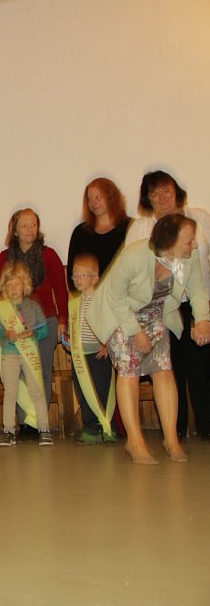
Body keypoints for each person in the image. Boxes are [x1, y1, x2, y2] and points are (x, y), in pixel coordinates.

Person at [88, 214, 210, 464]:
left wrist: (203, 320)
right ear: (170, 242)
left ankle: (171, 441)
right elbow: (115, 297)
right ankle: (135, 442)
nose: (195, 245)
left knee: (163, 371)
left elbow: (198, 291)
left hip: (155, 315)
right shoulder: (134, 255)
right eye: (189, 241)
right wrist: (135, 331)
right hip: (121, 315)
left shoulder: (190, 256)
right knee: (129, 371)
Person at [125, 171, 210, 440]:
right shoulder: (140, 228)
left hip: (197, 301)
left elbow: (199, 276)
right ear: (147, 199)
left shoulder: (199, 218)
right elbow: (128, 278)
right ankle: (175, 430)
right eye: (154, 193)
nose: (161, 197)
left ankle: (207, 426)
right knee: (170, 368)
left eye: (165, 190)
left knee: (202, 369)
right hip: (159, 308)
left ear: (176, 190)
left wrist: (204, 316)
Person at [0, 208, 67, 437]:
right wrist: (5, 324)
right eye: (25, 225)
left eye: (34, 225)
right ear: (15, 230)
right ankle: (24, 422)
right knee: (18, 374)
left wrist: (63, 320)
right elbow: (1, 294)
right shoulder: (4, 258)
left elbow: (61, 290)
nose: (30, 229)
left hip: (44, 321)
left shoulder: (50, 255)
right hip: (15, 323)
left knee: (41, 371)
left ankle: (38, 422)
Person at [0, 263, 53, 447]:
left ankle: (44, 429)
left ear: (24, 285)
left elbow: (45, 330)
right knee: (10, 393)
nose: (13, 289)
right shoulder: (1, 310)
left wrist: (34, 333)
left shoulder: (33, 306)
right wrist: (5, 334)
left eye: (16, 284)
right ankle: (8, 431)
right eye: (9, 285)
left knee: (37, 391)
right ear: (4, 288)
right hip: (9, 354)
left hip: (29, 353)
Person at [66, 254, 117, 445]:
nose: (78, 279)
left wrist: (108, 344)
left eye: (82, 275)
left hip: (99, 354)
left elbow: (112, 323)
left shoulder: (102, 298)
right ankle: (91, 428)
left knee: (102, 390)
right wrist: (70, 341)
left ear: (95, 278)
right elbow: (74, 327)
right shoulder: (74, 303)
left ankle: (107, 426)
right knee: (84, 392)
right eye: (75, 276)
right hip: (80, 355)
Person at [66, 177, 131, 290]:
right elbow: (72, 274)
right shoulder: (80, 233)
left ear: (111, 197)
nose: (93, 202)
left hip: (122, 296)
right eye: (89, 199)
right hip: (89, 297)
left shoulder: (130, 228)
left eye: (98, 197)